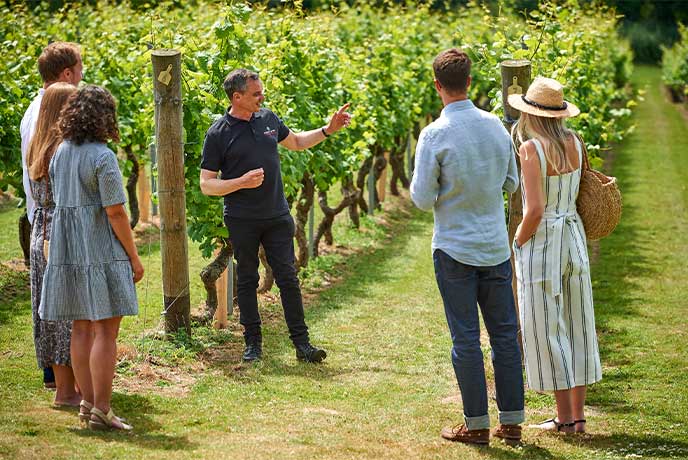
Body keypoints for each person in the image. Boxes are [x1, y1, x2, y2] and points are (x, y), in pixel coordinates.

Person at [410, 48, 524, 446]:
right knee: (505, 336)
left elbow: (423, 199)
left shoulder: (434, 135)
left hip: (454, 249)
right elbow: (512, 183)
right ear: (470, 83)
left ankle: (476, 425)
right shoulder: (497, 127)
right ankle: (511, 423)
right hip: (495, 246)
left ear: (437, 85)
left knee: (465, 339)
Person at [199, 69, 351, 363]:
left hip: (277, 214)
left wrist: (327, 130)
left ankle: (302, 345)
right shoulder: (218, 133)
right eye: (256, 94)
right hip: (242, 218)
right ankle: (252, 344)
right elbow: (206, 184)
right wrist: (240, 182)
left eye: (262, 92)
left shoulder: (268, 118)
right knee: (247, 279)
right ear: (237, 97)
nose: (262, 97)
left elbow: (295, 142)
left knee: (288, 278)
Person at [39, 85, 143, 431]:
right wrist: (134, 257)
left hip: (69, 250)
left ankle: (86, 404)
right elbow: (115, 213)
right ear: (105, 117)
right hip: (100, 251)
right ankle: (102, 408)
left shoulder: (61, 153)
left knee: (80, 328)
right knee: (105, 333)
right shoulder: (103, 156)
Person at [508, 77, 602, 434]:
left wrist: (518, 240)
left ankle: (563, 419)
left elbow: (534, 210)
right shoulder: (576, 142)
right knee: (578, 324)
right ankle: (577, 418)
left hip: (545, 241)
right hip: (574, 237)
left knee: (548, 327)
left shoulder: (531, 149)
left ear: (530, 114)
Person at [20, 41, 83, 389]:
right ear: (67, 74)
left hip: (43, 218)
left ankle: (59, 377)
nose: (82, 78)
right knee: (61, 303)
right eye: (80, 70)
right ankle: (62, 378)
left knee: (53, 301)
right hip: (53, 219)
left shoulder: (37, 111)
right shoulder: (49, 117)